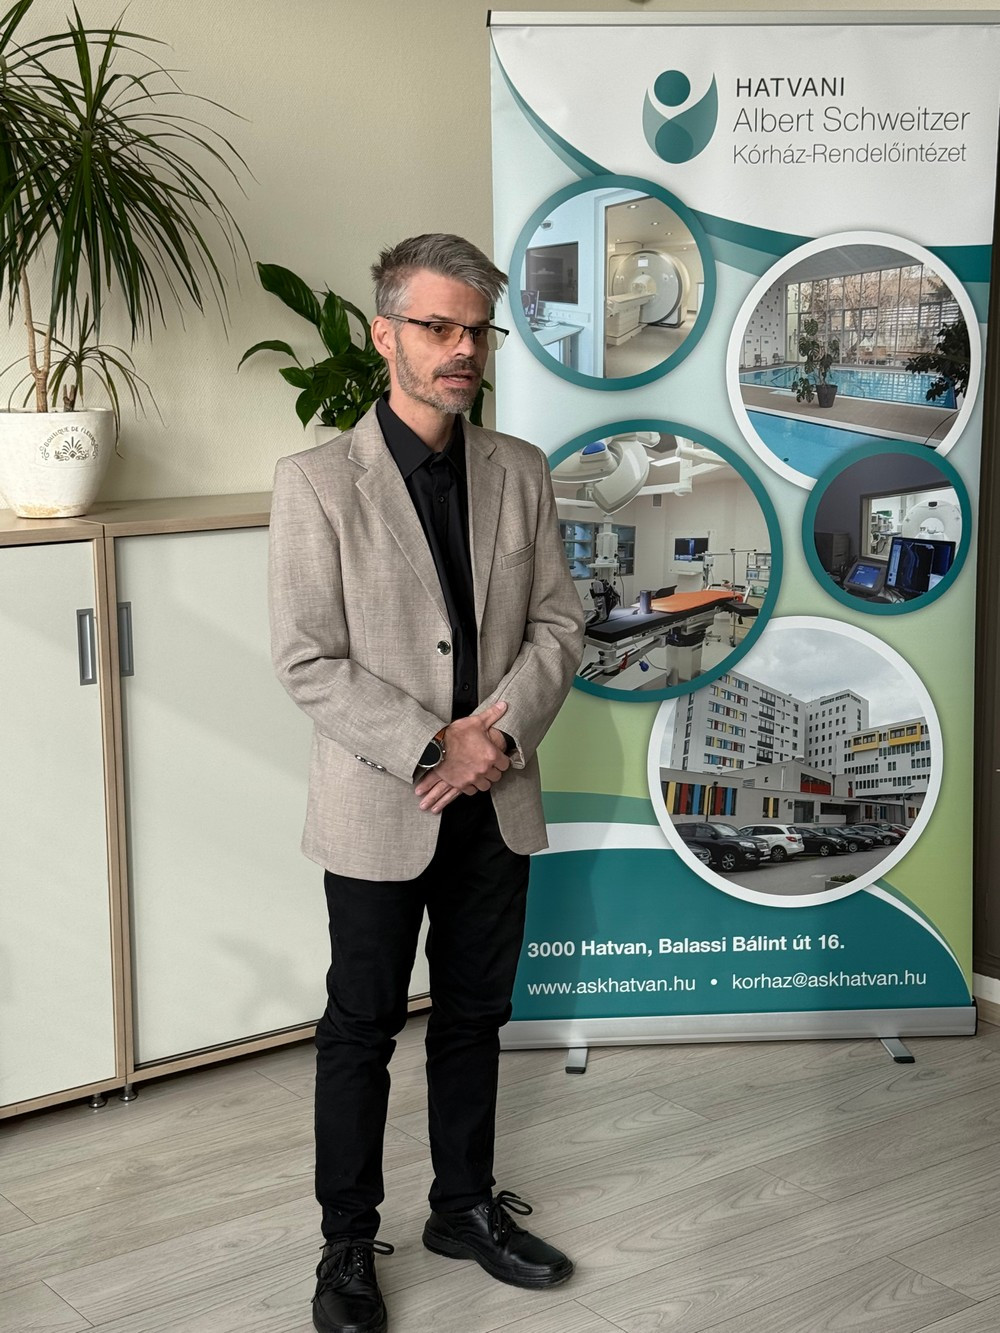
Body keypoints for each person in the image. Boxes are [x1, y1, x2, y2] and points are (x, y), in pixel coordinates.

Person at [268, 233, 585, 1333]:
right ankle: (346, 1244)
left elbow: (559, 623)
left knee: (474, 1015)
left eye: (476, 331)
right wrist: (431, 745)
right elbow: (308, 660)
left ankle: (463, 1208)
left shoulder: (520, 469)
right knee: (360, 1026)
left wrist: (496, 736)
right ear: (384, 334)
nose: (462, 350)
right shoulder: (316, 484)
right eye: (438, 326)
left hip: (497, 792)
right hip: (381, 803)